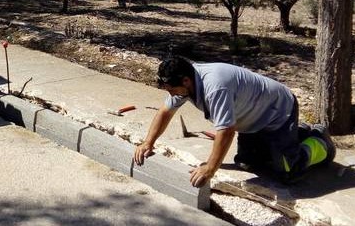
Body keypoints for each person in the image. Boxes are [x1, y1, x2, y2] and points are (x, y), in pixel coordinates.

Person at [133, 57, 336, 186]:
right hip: (252, 119)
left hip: (277, 111)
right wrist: (148, 143)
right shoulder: (185, 82)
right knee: (247, 164)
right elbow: (165, 112)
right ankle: (295, 134)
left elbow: (227, 131)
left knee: (288, 171)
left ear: (185, 81)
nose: (172, 94)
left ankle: (319, 140)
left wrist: (209, 168)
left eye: (172, 90)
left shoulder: (215, 87)